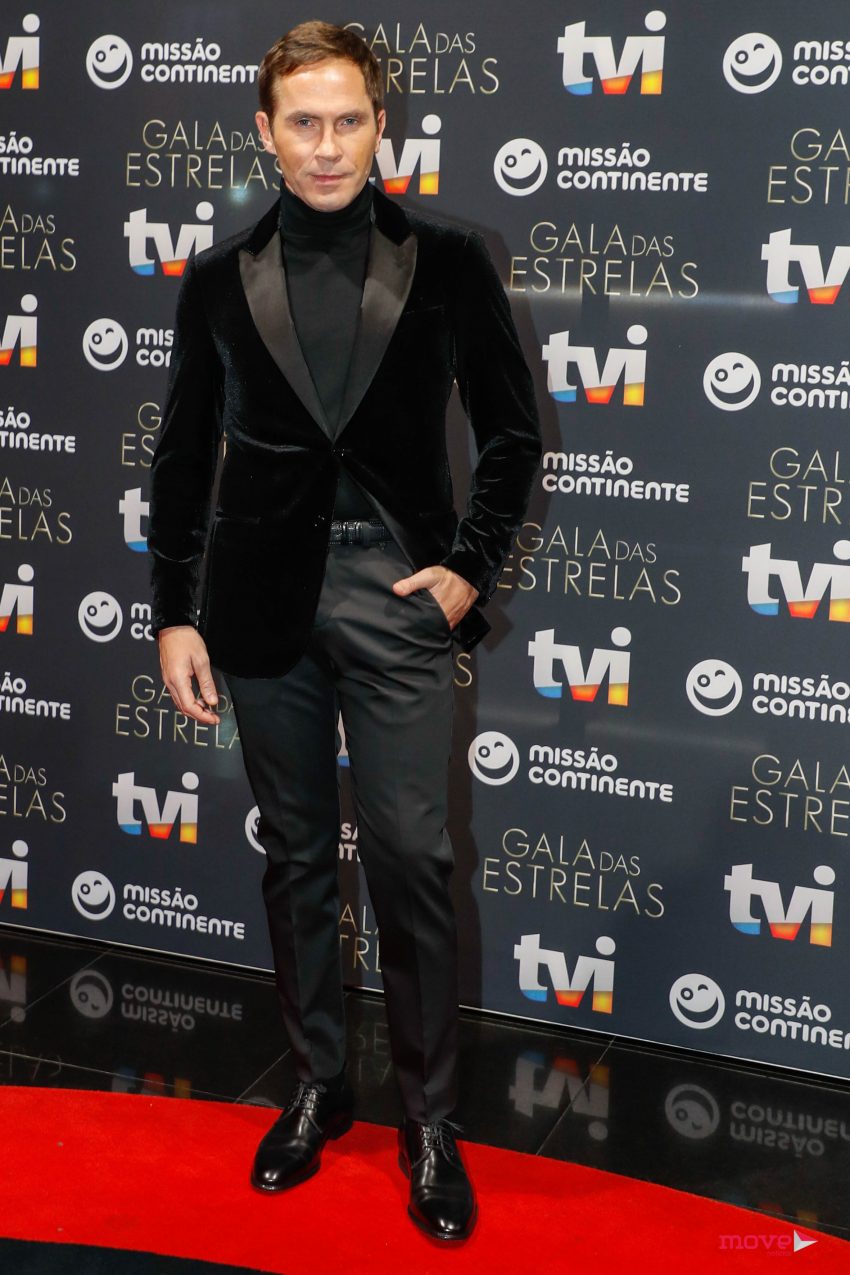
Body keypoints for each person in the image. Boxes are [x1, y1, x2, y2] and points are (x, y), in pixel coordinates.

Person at [148, 20, 540, 1243]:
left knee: (415, 859)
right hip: (259, 605)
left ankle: (430, 1122)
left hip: (398, 595)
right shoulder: (218, 277)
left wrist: (467, 570)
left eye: (349, 121)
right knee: (297, 858)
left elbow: (512, 434)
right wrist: (171, 612)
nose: (327, 146)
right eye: (304, 124)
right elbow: (180, 457)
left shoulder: (451, 261)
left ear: (382, 126)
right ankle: (319, 1086)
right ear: (265, 134)